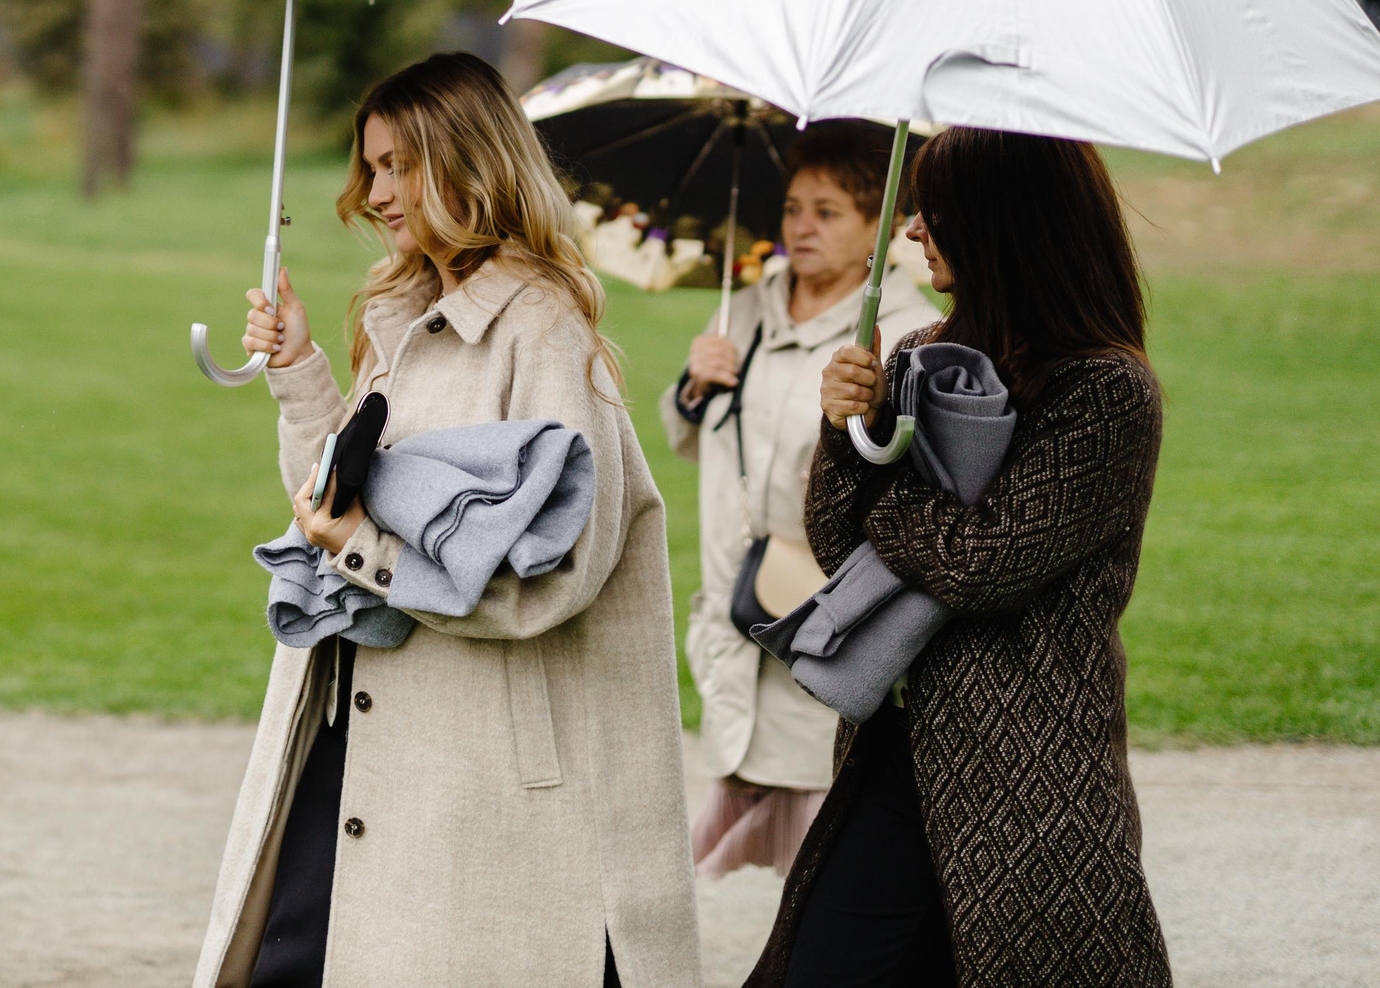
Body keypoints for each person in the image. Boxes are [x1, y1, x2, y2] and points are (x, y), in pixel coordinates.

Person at [199, 53, 699, 988]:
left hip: (474, 769)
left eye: (401, 164)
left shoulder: (541, 329)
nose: (378, 192)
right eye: (372, 167)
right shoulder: (406, 312)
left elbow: (552, 578)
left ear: (472, 162)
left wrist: (365, 555)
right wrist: (301, 369)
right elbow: (334, 497)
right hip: (360, 724)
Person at [750, 128, 1171, 988]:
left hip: (1023, 778)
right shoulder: (919, 360)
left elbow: (985, 562)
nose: (909, 232)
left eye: (932, 214)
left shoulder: (1104, 392)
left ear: (998, 222)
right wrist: (844, 431)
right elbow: (839, 543)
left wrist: (890, 504)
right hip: (894, 748)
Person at [658, 122, 940, 880]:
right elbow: (692, 438)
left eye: (827, 211)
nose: (801, 227)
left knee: (831, 852)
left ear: (876, 228)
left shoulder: (907, 333)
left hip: (826, 612)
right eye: (792, 208)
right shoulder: (743, 308)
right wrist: (693, 386)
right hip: (736, 593)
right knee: (749, 793)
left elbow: (919, 482)